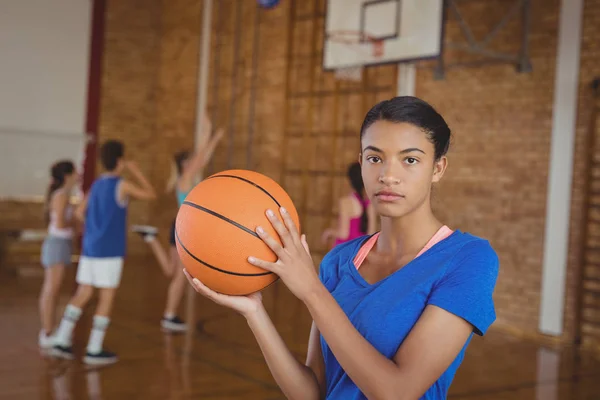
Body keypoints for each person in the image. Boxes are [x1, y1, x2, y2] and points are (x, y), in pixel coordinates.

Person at [184, 96, 499, 399]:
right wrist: (255, 312)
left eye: (410, 160)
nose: (388, 176)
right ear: (361, 163)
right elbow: (312, 393)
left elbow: (397, 393)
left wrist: (311, 291)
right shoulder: (338, 261)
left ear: (438, 168)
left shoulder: (468, 259)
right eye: (375, 158)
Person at [51, 140, 157, 366]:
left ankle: (61, 338)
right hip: (109, 250)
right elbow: (151, 194)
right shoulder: (122, 184)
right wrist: (136, 171)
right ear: (120, 161)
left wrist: (96, 226)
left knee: (83, 293)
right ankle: (94, 348)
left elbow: (80, 212)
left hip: (90, 248)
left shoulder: (97, 184)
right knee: (106, 297)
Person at [133, 114, 224, 332]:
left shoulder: (189, 178)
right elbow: (203, 156)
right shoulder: (185, 178)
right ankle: (170, 316)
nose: (197, 162)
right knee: (181, 276)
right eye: (192, 160)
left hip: (180, 227)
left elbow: (203, 156)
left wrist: (210, 138)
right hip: (184, 229)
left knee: (171, 272)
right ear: (186, 164)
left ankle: (151, 239)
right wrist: (210, 134)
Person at [38, 160, 80, 350]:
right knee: (51, 289)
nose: (78, 174)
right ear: (67, 176)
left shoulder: (64, 195)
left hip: (62, 244)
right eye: (75, 172)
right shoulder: (61, 196)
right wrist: (77, 220)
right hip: (57, 244)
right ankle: (47, 332)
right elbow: (62, 223)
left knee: (54, 290)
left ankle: (50, 329)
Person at [321, 161, 377, 248]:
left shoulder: (346, 202)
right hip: (360, 252)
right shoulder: (370, 204)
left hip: (345, 251)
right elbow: (371, 234)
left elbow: (344, 234)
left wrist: (329, 232)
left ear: (350, 180)